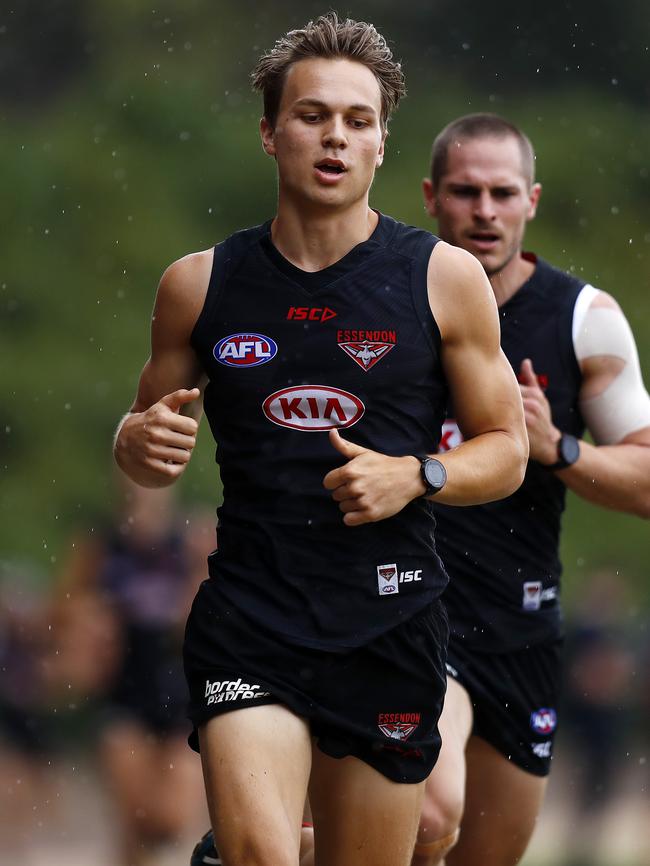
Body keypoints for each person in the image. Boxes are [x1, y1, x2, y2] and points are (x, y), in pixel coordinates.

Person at [114, 16, 527, 866]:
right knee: (263, 856)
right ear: (270, 133)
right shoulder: (198, 285)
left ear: (381, 144)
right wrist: (137, 439)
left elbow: (507, 451)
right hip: (250, 617)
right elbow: (141, 431)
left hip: (390, 618)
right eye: (311, 116)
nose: (336, 135)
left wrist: (419, 474)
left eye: (359, 120)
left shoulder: (443, 277)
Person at [412, 113, 650, 866]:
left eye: (502, 192)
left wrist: (557, 448)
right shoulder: (389, 303)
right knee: (428, 816)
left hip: (520, 624)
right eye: (465, 191)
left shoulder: (584, 319)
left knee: (484, 854)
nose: (484, 210)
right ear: (430, 197)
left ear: (532, 200)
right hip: (410, 607)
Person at [50, 477, 212, 865]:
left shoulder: (189, 541)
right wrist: (90, 621)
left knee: (170, 820)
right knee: (133, 819)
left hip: (181, 688)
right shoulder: (102, 545)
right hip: (123, 688)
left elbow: (215, 606)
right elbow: (62, 609)